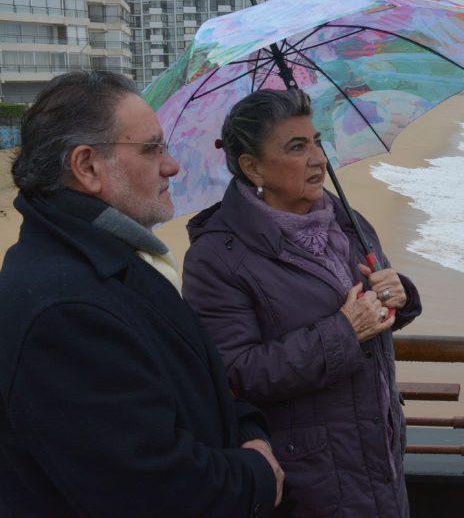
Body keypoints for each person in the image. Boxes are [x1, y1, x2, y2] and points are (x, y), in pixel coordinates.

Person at [0, 71, 284, 516]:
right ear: (88, 166)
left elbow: (194, 388)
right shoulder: (65, 309)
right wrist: (257, 477)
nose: (171, 166)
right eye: (153, 149)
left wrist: (248, 428)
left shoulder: (115, 263)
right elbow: (151, 489)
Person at [182, 89, 422, 517]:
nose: (318, 159)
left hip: (379, 455)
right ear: (251, 166)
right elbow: (236, 373)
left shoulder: (346, 221)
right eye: (297, 146)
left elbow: (372, 309)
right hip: (307, 480)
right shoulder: (217, 256)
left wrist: (396, 295)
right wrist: (345, 331)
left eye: (317, 141)